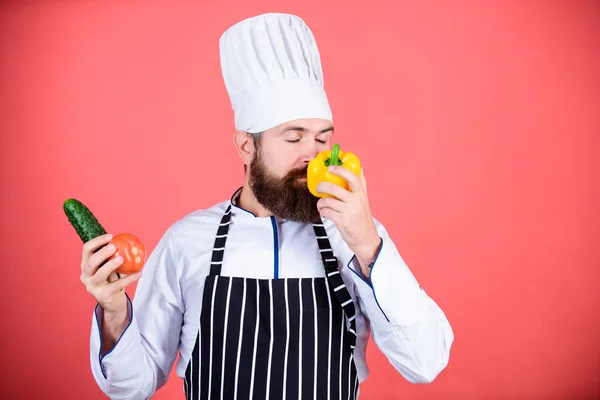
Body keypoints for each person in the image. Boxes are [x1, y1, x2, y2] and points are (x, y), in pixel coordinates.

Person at [80, 13, 454, 400]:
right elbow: (131, 387)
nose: (314, 155)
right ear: (247, 146)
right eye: (294, 139)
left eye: (323, 139)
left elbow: (425, 362)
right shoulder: (187, 241)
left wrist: (368, 244)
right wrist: (113, 312)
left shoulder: (354, 237)